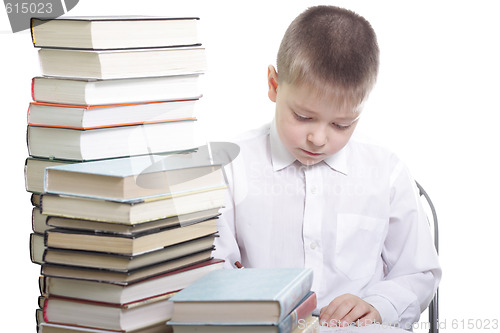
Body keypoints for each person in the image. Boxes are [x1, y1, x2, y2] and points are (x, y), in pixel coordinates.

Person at [212, 5, 441, 330]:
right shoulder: (231, 166)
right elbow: (212, 268)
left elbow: (418, 273)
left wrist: (378, 306)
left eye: (341, 124)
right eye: (303, 117)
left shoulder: (385, 171)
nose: (318, 138)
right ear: (274, 86)